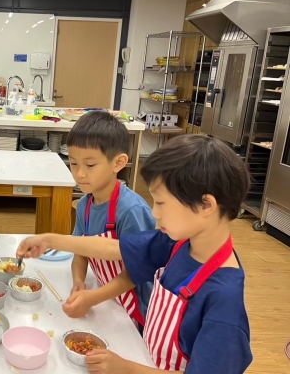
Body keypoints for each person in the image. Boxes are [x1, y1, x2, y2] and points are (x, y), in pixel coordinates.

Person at [16, 135, 252, 374]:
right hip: (146, 356)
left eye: (161, 203)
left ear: (206, 205)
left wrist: (126, 368)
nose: (154, 213)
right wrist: (49, 240)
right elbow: (114, 248)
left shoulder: (224, 300)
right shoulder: (178, 244)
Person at [65, 112, 154, 325]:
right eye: (74, 163)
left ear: (118, 163)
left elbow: (135, 272)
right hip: (109, 300)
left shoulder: (131, 210)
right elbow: (80, 251)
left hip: (138, 312)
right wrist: (79, 282)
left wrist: (93, 298)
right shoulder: (85, 205)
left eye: (90, 165)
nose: (79, 174)